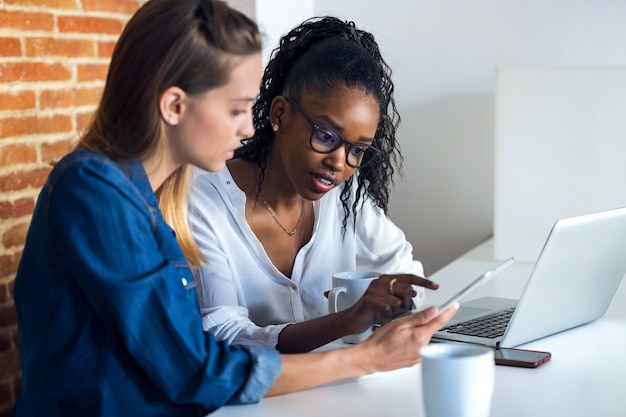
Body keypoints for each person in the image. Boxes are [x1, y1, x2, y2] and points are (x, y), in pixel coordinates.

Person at [12, 1, 457, 415]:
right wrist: (365, 358)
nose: (249, 128)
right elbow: (196, 370)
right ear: (174, 106)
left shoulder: (147, 195)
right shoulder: (93, 192)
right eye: (236, 110)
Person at [184, 16, 437, 353]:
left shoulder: (345, 193)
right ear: (279, 114)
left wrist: (393, 299)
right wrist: (345, 320)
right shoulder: (202, 202)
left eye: (357, 150)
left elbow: (402, 267)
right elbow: (222, 332)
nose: (338, 162)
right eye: (325, 135)